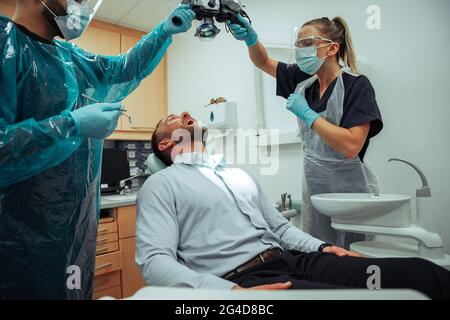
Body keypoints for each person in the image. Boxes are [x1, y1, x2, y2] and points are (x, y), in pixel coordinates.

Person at [136, 113, 450, 300]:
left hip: (296, 260)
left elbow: (281, 228)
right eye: (172, 118)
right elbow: (154, 262)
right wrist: (230, 295)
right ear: (165, 144)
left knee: (416, 272)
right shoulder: (161, 185)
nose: (185, 113)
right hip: (243, 280)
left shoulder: (237, 174)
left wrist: (325, 248)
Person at [0, 0, 196, 300]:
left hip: (76, 228)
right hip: (21, 239)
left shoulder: (68, 57)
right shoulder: (5, 45)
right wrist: (70, 125)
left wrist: (163, 31)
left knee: (75, 291)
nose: (81, 7)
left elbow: (121, 69)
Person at [228, 15, 383, 249]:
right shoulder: (304, 81)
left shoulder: (356, 85)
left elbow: (351, 146)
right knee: (321, 255)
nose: (300, 50)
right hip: (315, 194)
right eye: (298, 44)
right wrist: (251, 38)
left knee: (354, 258)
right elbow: (263, 62)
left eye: (307, 43)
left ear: (331, 48)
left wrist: (309, 115)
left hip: (351, 196)